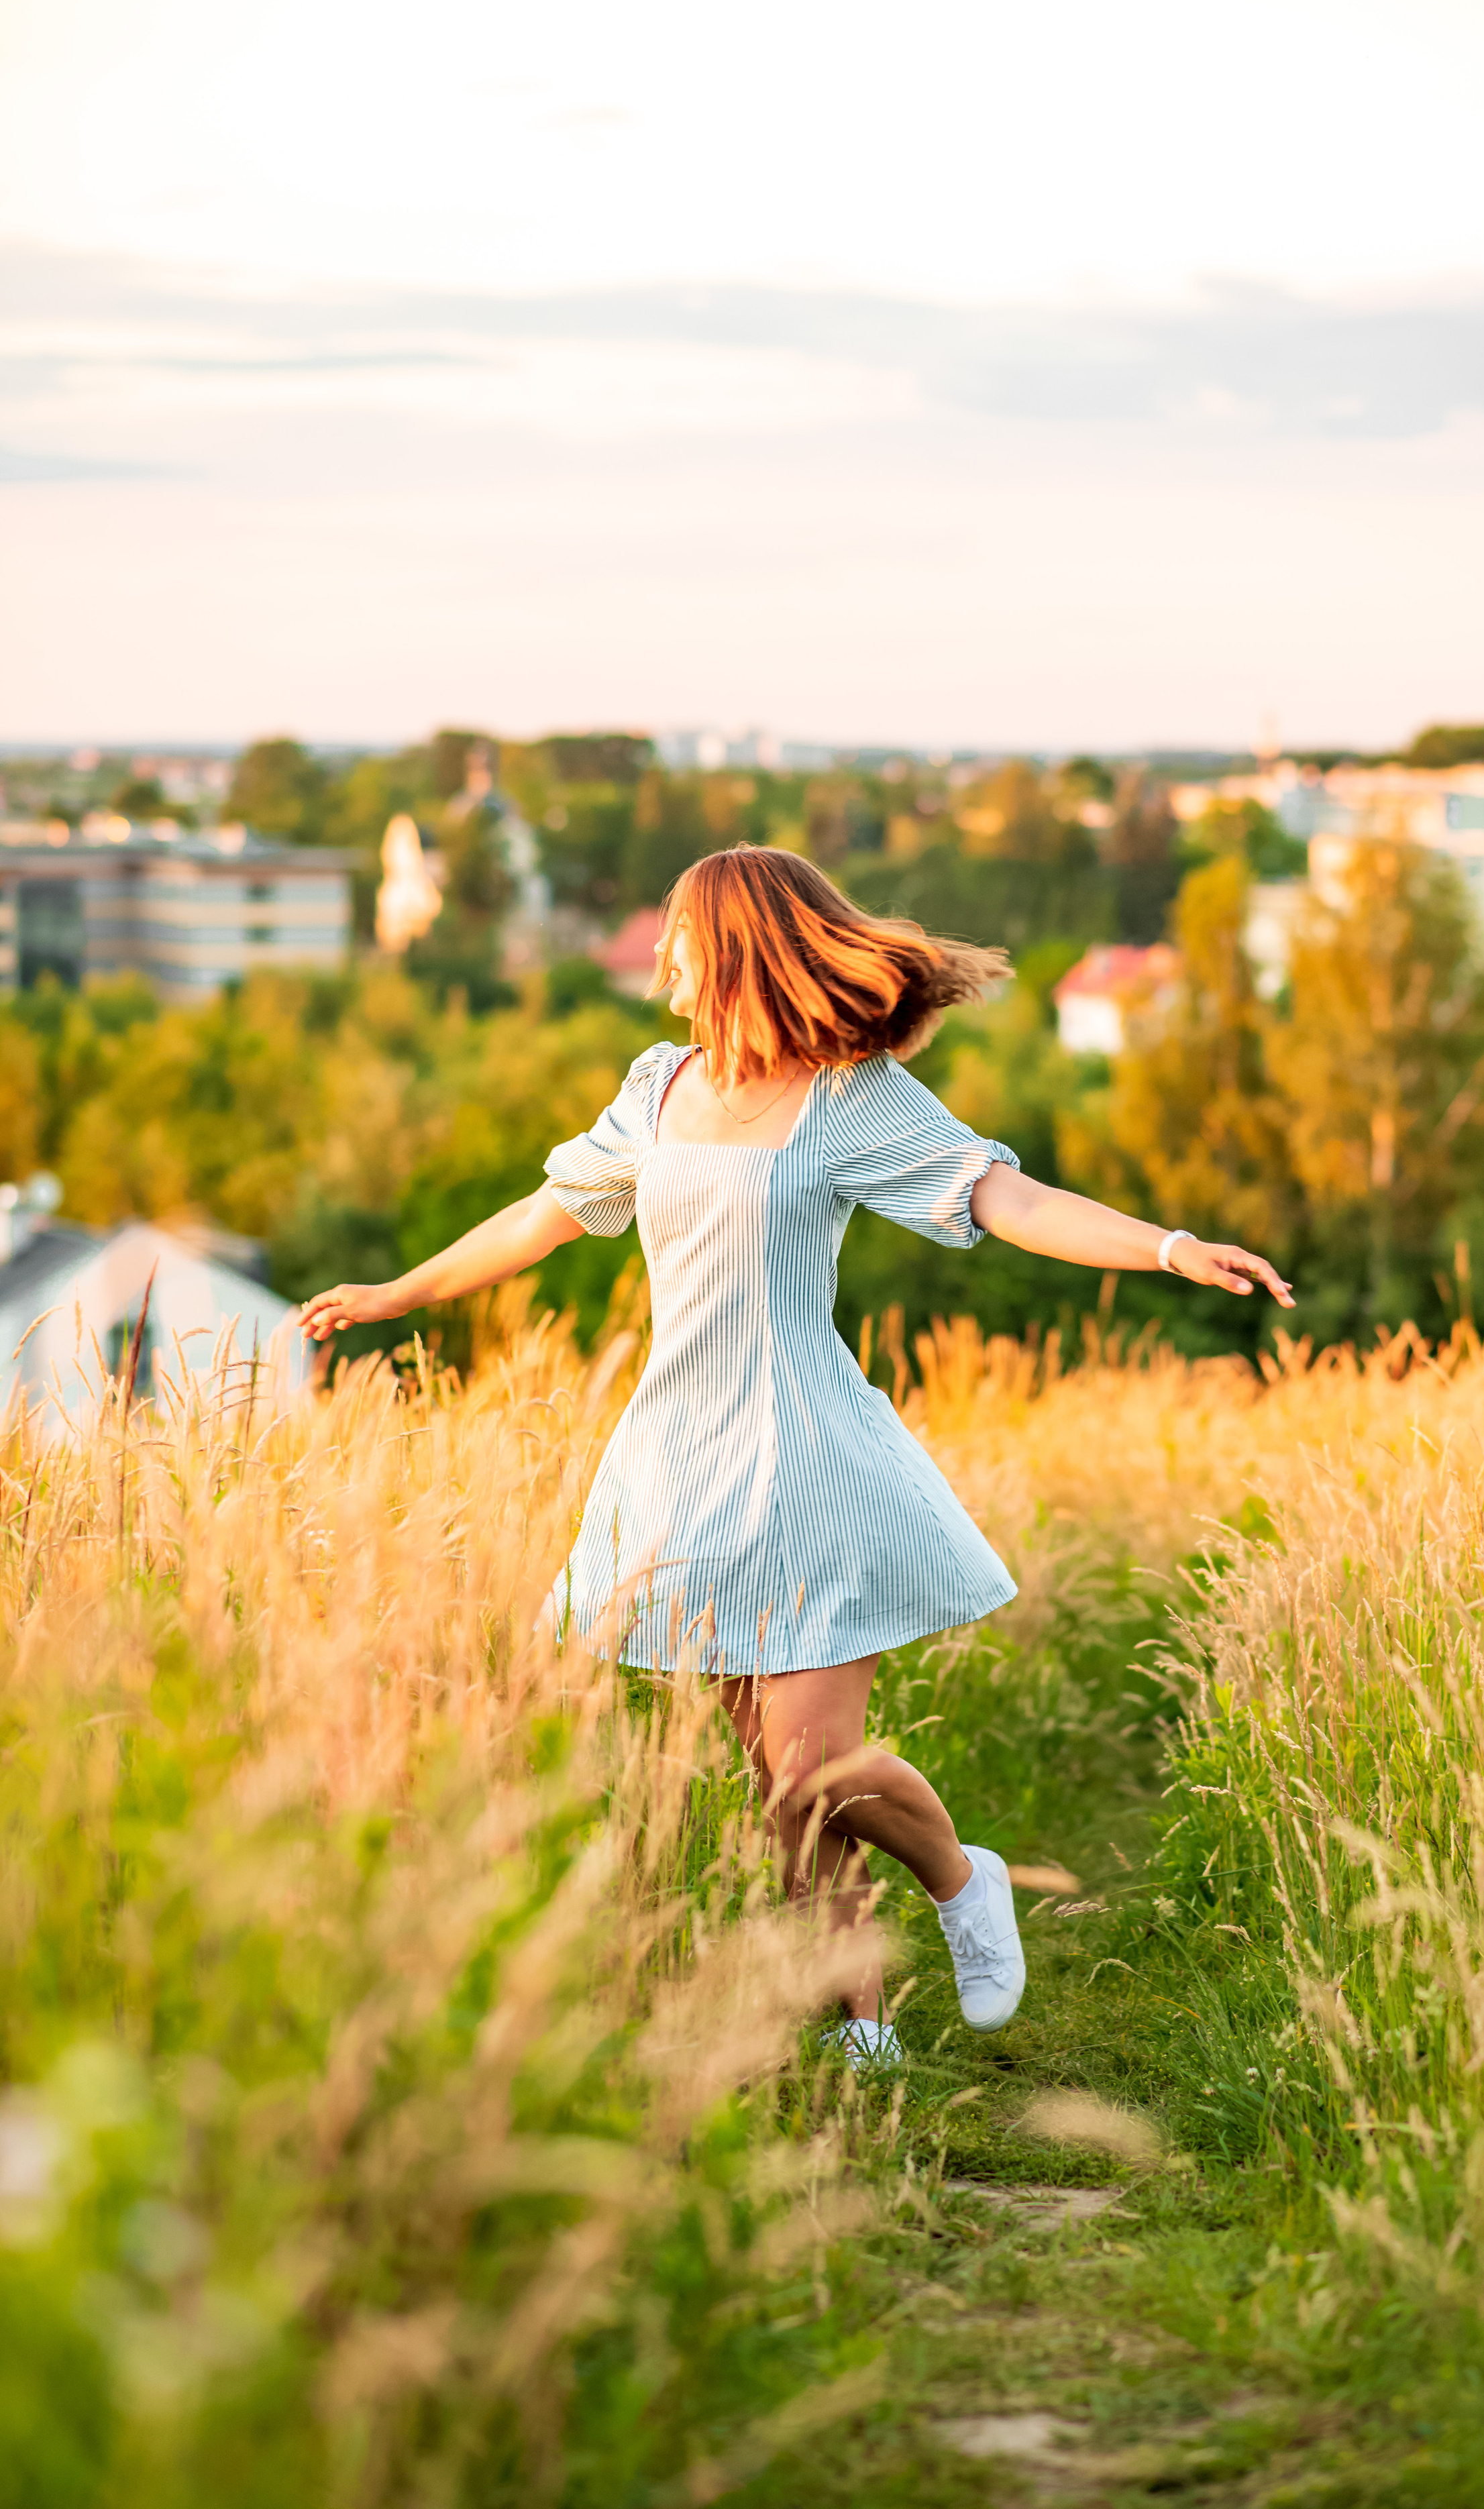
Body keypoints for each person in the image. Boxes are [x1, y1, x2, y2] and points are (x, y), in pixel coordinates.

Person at [301, 846, 1293, 2066]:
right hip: (681, 1460)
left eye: (676, 934)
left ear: (735, 947)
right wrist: (400, 1291)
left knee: (818, 1762)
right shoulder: (658, 1087)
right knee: (780, 1791)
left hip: (810, 1455)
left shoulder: (848, 1099)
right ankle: (859, 2028)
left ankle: (960, 1874)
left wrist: (1169, 1247)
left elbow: (1002, 1198)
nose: (658, 957)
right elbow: (545, 1211)